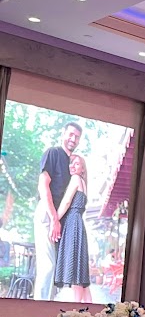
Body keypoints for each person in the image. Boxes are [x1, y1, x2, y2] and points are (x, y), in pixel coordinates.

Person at [33, 122, 80, 300]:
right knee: (47, 267)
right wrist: (54, 219)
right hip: (48, 214)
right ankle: (38, 309)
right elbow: (43, 186)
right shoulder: (53, 153)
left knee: (56, 271)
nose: (73, 139)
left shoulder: (72, 164)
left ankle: (47, 309)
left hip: (59, 219)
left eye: (77, 137)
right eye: (71, 134)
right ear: (63, 134)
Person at [53, 153, 92, 302]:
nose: (73, 166)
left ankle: (75, 309)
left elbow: (66, 202)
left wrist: (55, 220)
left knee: (76, 273)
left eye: (77, 164)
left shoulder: (75, 179)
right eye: (71, 163)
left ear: (83, 168)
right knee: (80, 275)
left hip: (72, 224)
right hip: (77, 223)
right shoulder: (83, 183)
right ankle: (90, 310)